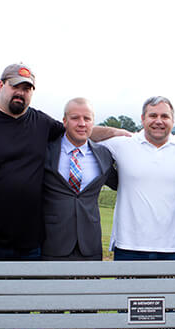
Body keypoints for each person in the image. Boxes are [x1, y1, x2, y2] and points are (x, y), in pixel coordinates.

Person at [0, 63, 123, 261]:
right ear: (1, 85)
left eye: (26, 88)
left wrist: (120, 133)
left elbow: (77, 131)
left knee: (24, 293)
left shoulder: (41, 123)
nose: (20, 93)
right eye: (15, 86)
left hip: (27, 244)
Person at [96, 96, 175, 260]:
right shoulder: (122, 144)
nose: (159, 121)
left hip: (173, 248)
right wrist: (116, 132)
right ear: (142, 119)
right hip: (129, 246)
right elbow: (85, 134)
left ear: (173, 120)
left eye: (165, 116)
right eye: (153, 116)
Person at [41, 98, 117, 261]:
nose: (82, 123)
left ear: (93, 122)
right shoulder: (45, 151)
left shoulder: (104, 155)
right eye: (75, 118)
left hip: (90, 244)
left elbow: (122, 184)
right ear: (64, 121)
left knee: (89, 287)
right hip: (52, 242)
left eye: (87, 118)